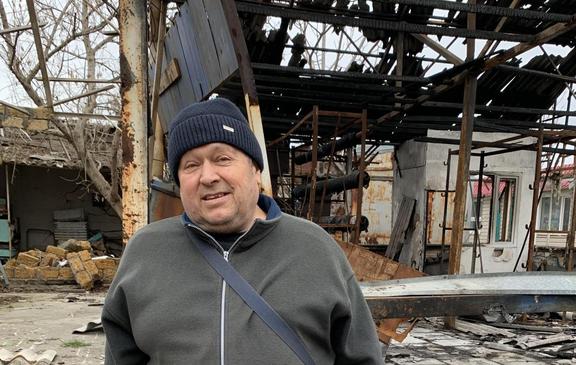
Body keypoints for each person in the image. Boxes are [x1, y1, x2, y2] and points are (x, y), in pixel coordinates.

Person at [101, 97, 383, 364]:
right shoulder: (146, 253)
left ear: (255, 170)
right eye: (191, 165)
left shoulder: (316, 250)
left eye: (222, 158)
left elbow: (362, 358)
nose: (208, 176)